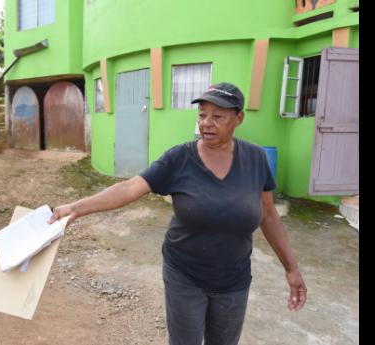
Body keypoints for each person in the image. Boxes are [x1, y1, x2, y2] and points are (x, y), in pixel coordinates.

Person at [48, 82, 307, 345]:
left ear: (238, 118)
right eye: (202, 115)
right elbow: (129, 188)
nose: (207, 123)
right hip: (185, 275)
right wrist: (76, 209)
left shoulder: (255, 159)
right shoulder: (178, 159)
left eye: (218, 116)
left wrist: (291, 268)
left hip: (234, 280)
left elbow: (268, 214)